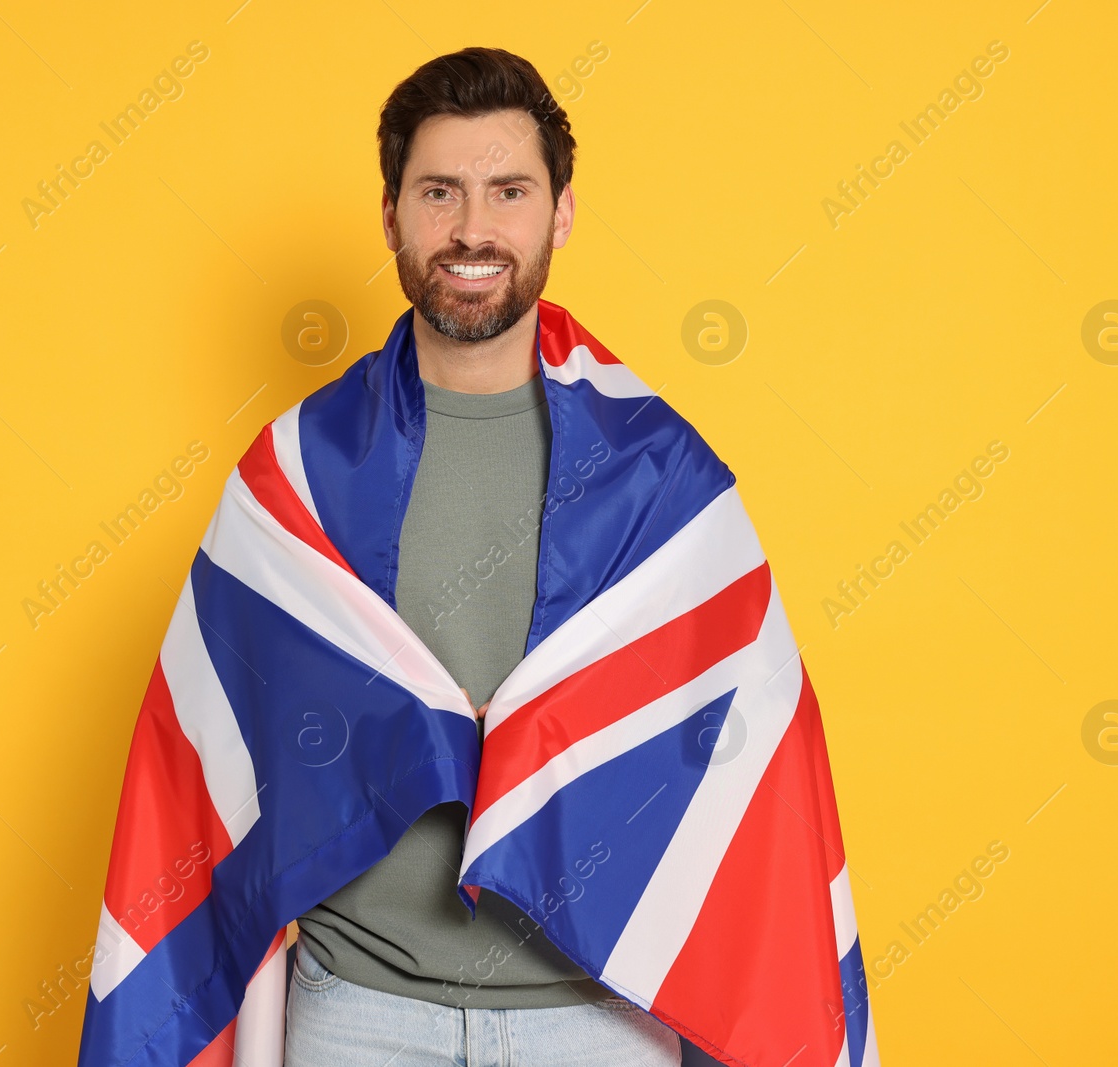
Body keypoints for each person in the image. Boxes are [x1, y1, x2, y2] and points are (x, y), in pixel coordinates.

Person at [285, 46, 684, 1067]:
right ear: (390, 217)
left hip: (602, 1007)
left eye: (508, 191)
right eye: (438, 193)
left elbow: (735, 732)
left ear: (559, 214)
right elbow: (225, 731)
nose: (471, 229)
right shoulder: (300, 466)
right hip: (360, 1006)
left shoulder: (662, 470)